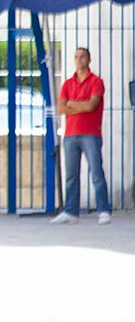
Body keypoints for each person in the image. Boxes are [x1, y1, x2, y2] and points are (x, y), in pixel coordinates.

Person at [51, 47, 111, 225]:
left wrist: (71, 104)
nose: (79, 60)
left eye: (82, 57)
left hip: (91, 133)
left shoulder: (96, 82)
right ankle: (71, 211)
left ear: (89, 60)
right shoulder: (68, 83)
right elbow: (61, 108)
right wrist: (78, 105)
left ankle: (104, 210)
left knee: (97, 173)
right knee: (71, 175)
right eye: (76, 57)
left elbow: (91, 106)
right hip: (70, 134)